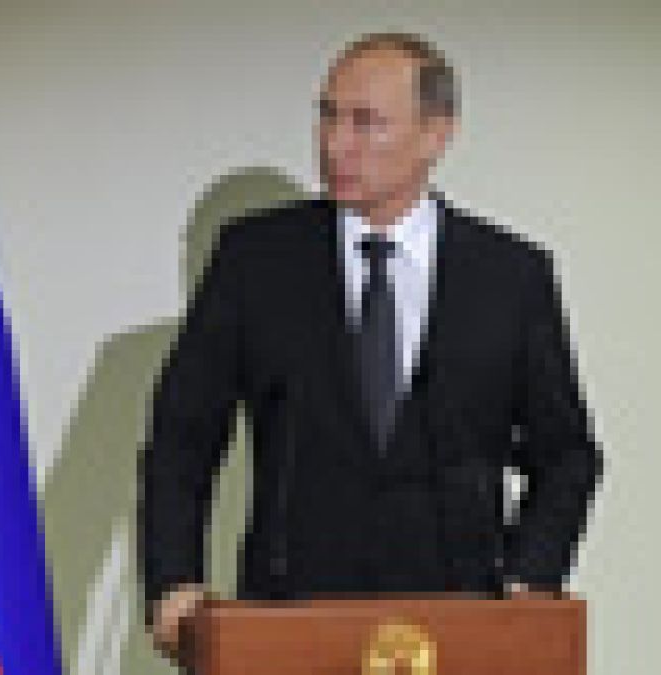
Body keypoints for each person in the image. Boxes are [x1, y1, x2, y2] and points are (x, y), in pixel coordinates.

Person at [135, 31, 604, 666]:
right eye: (328, 116)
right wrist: (174, 581)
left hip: (460, 623)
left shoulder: (511, 276)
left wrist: (530, 578)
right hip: (291, 620)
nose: (336, 144)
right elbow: (182, 436)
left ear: (436, 135)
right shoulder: (255, 260)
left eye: (366, 123)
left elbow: (567, 452)